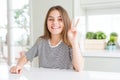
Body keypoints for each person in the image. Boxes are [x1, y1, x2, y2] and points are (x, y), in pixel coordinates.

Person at [10, 5, 84, 74]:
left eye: (60, 19)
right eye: (51, 19)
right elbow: (26, 57)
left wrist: (74, 42)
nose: (55, 22)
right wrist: (18, 66)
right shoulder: (41, 41)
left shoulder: (70, 42)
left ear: (65, 22)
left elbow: (79, 68)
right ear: (46, 22)